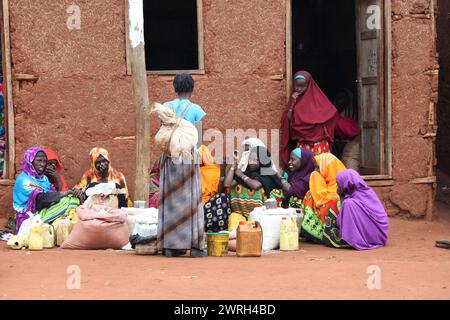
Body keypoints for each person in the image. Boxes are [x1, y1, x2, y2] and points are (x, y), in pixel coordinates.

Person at [158, 73, 206, 257]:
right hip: (187, 159)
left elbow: (163, 135)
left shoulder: (165, 108)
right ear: (192, 89)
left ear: (174, 88)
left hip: (169, 158)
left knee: (170, 200)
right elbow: (199, 140)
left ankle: (170, 246)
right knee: (191, 201)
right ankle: (194, 246)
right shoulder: (196, 110)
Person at [13, 147, 83, 233]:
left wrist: (70, 193)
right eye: (39, 161)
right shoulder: (24, 180)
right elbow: (39, 200)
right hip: (29, 216)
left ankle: (56, 224)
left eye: (44, 161)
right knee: (68, 200)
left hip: (42, 211)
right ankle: (42, 225)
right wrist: (64, 193)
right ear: (30, 162)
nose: (42, 164)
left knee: (73, 199)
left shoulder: (43, 179)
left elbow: (52, 195)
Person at [280, 71, 338, 168]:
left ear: (309, 85)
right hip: (303, 144)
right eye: (296, 86)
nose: (299, 89)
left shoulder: (318, 98)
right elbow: (289, 119)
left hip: (319, 143)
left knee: (321, 168)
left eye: (302, 86)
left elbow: (332, 113)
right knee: (304, 168)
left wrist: (325, 129)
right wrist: (293, 103)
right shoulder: (294, 100)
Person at [300, 152, 349, 248]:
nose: (315, 171)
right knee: (310, 194)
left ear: (328, 168)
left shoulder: (344, 186)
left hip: (338, 229)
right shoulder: (323, 185)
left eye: (318, 167)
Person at [336, 169, 389, 250]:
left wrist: (342, 197)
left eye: (339, 184)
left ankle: (357, 239)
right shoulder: (366, 192)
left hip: (375, 236)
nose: (338, 187)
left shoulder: (351, 202)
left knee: (348, 204)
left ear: (346, 183)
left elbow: (339, 222)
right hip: (381, 235)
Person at [225, 146, 282, 219]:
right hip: (243, 214)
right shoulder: (248, 172)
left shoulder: (268, 172)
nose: (251, 162)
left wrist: (241, 175)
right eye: (250, 159)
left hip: (265, 215)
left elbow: (256, 185)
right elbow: (227, 184)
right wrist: (233, 165)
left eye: (255, 159)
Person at [199, 144, 231, 233]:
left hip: (208, 208)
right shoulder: (192, 172)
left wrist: (223, 171)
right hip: (200, 208)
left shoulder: (214, 171)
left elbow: (222, 192)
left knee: (223, 197)